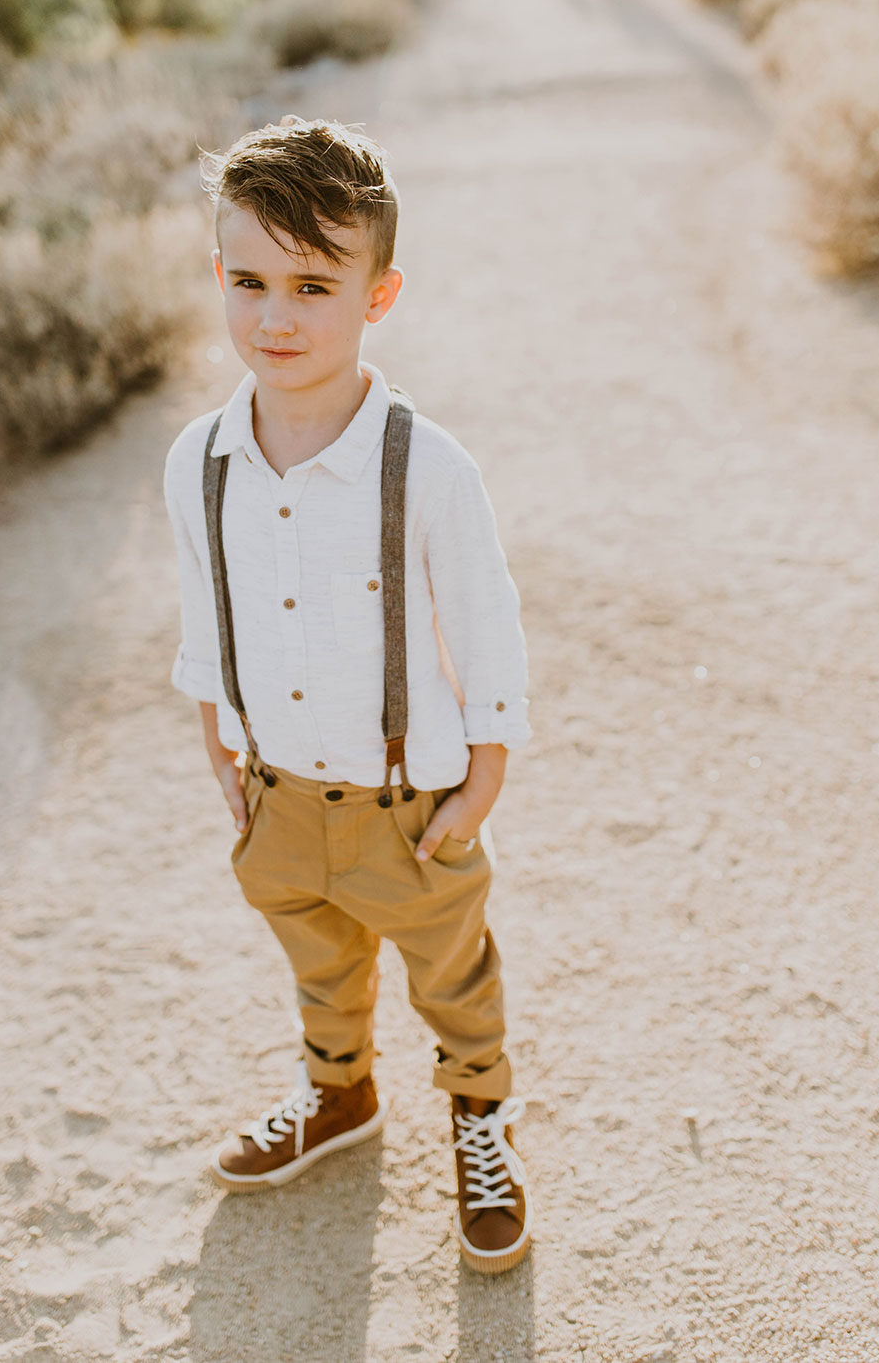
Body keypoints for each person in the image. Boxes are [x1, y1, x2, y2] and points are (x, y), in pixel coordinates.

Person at [162, 115, 533, 1273]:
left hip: (402, 806)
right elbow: (204, 603)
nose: (275, 316)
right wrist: (217, 739)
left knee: (452, 975)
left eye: (313, 284)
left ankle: (481, 1119)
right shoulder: (201, 458)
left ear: (377, 295)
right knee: (318, 965)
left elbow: (485, 620)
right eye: (249, 280)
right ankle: (340, 1096)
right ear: (219, 275)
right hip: (277, 796)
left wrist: (481, 779)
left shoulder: (424, 463)